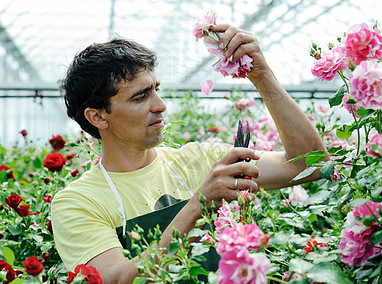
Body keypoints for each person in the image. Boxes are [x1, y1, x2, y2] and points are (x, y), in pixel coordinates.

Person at [51, 23, 326, 283]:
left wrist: (262, 76)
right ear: (97, 117)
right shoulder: (78, 202)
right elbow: (116, 279)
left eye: (156, 90)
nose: (160, 105)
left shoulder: (201, 160)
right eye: (140, 97)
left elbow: (308, 165)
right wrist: (198, 206)